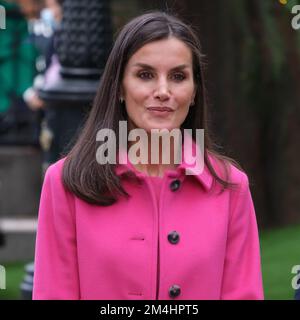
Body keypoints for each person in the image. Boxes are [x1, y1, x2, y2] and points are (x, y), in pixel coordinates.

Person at [32, 11, 264, 300]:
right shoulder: (65, 183)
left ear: (194, 93)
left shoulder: (231, 187)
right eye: (145, 75)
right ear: (119, 87)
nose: (163, 91)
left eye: (178, 76)